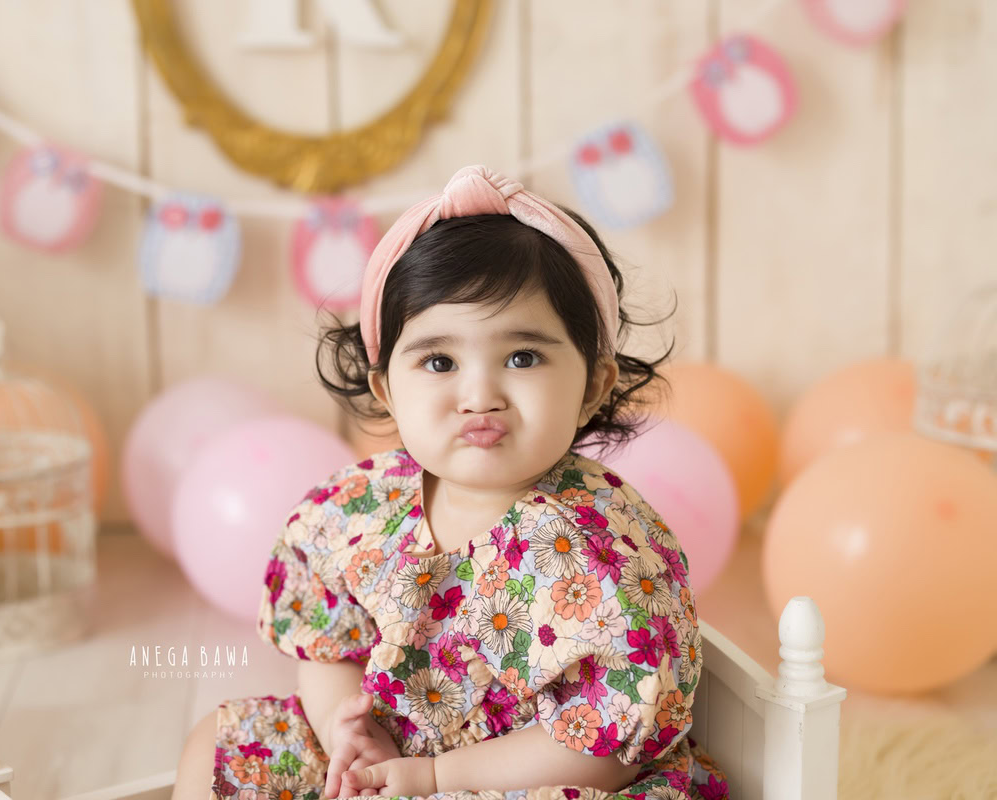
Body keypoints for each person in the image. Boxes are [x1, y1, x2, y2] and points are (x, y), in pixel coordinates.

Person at [173, 165, 728, 800]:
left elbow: (608, 752)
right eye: (439, 361)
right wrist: (344, 733)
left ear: (593, 386)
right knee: (213, 747)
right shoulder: (362, 507)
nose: (478, 394)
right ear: (387, 389)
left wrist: (436, 778)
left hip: (529, 778)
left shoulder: (604, 550)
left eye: (523, 357)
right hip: (390, 752)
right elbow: (328, 650)